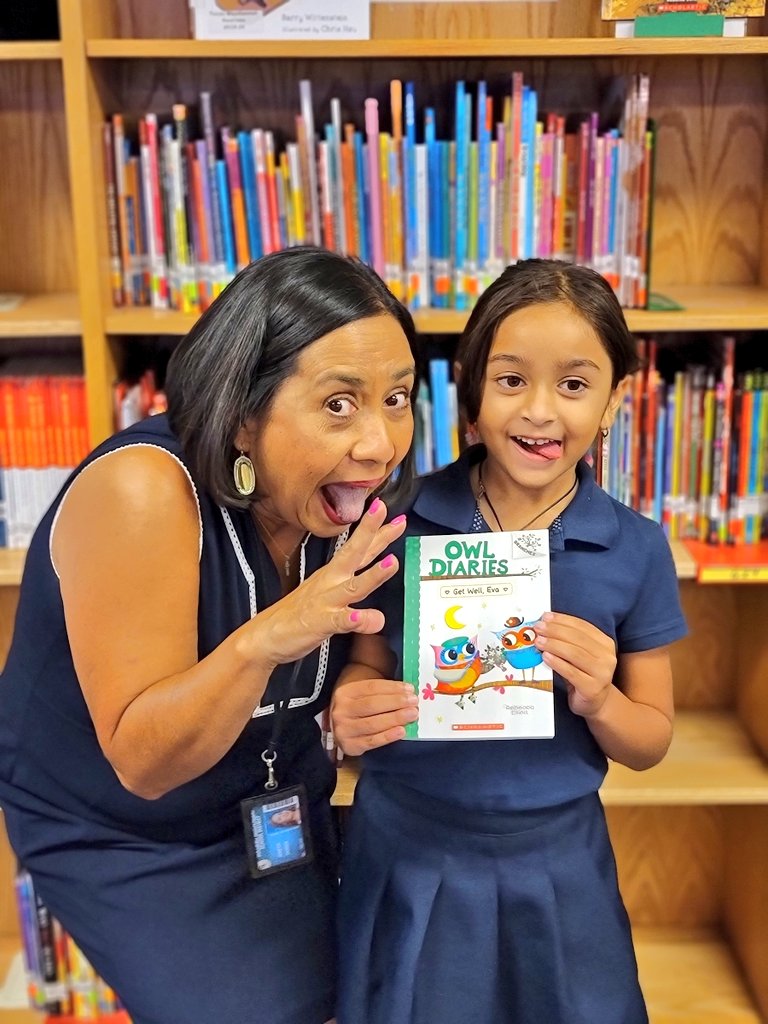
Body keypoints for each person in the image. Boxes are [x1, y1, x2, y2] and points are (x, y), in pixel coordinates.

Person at [0, 247, 417, 1024]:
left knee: (402, 974)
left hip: (274, 790)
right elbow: (145, 763)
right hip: (125, 827)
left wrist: (360, 680)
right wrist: (267, 639)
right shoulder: (143, 492)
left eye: (398, 398)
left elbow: (369, 634)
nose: (379, 443)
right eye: (338, 404)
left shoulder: (350, 489)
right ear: (244, 414)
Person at [331, 258, 688, 1024]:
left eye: (574, 384)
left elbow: (650, 738)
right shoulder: (399, 516)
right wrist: (350, 705)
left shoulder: (636, 548)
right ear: (468, 393)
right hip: (406, 845)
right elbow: (365, 660)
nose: (539, 412)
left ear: (613, 404)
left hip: (556, 861)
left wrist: (600, 698)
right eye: (511, 380)